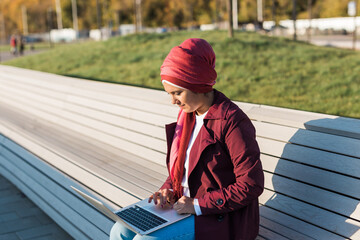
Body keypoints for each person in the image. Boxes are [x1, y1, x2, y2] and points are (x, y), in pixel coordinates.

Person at [110, 38, 264, 240]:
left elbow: (251, 184)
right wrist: (167, 190)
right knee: (119, 230)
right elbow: (181, 173)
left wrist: (198, 205)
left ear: (196, 83)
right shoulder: (188, 117)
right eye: (170, 94)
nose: (173, 101)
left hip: (219, 217)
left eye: (177, 93)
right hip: (184, 207)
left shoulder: (232, 121)